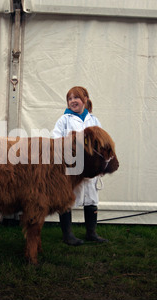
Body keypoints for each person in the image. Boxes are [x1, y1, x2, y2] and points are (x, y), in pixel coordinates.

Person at [52, 86, 107, 246]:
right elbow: (55, 139)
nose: (72, 101)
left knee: (91, 198)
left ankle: (91, 233)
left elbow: (101, 142)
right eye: (69, 99)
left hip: (90, 168)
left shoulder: (94, 120)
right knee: (67, 198)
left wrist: (101, 165)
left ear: (85, 100)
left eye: (76, 98)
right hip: (72, 168)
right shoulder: (64, 120)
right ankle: (68, 235)